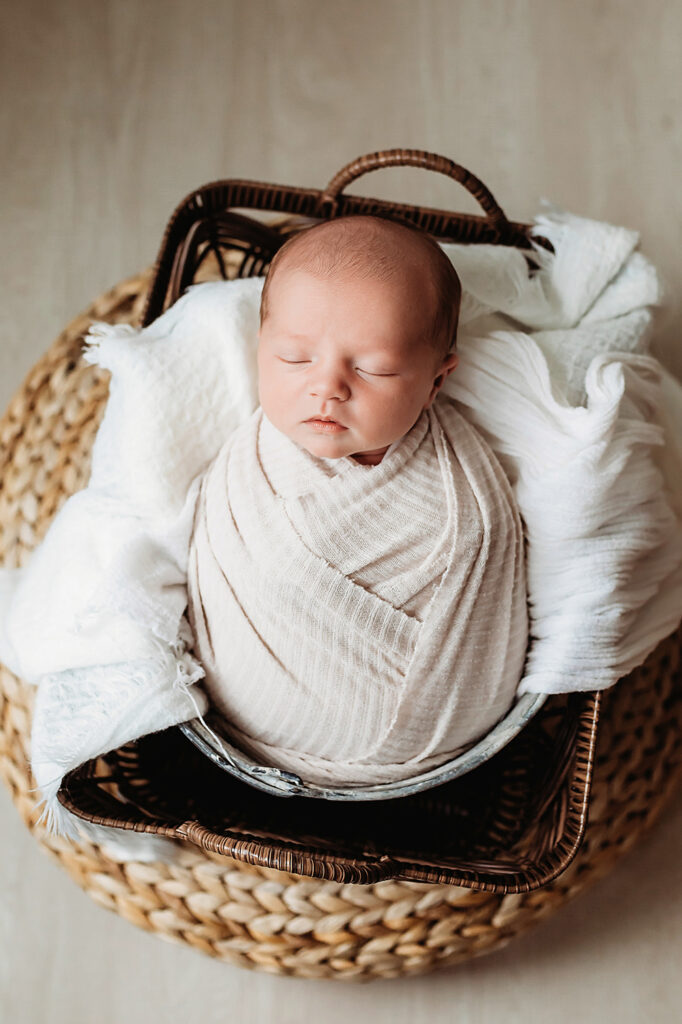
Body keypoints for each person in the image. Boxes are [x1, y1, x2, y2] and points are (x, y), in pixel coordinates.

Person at [186, 215, 528, 787]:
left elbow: (489, 556)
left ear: (436, 381)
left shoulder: (463, 494)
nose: (327, 387)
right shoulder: (250, 463)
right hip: (239, 738)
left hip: (433, 755)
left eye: (373, 368)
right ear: (260, 347)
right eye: (294, 358)